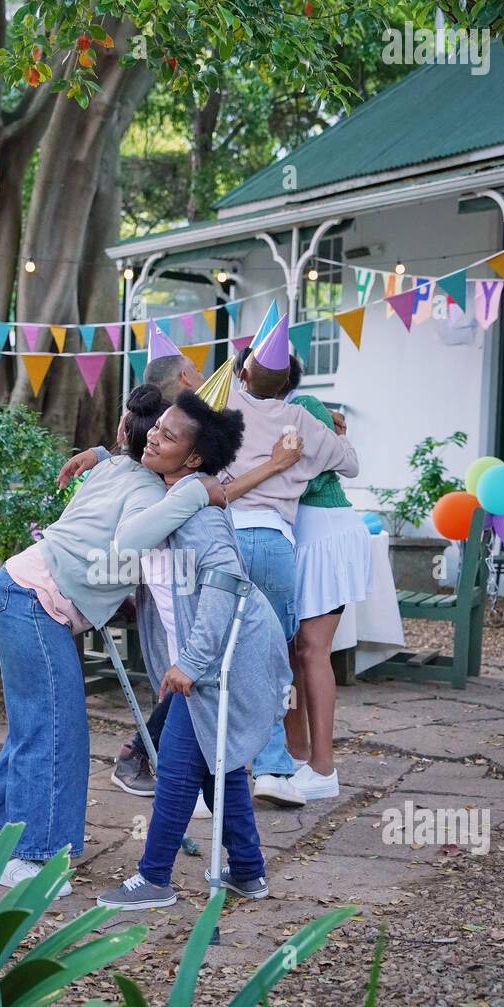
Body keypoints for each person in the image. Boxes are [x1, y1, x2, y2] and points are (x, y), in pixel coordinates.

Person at [0, 382, 225, 895]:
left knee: (41, 723)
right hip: (33, 599)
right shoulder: (146, 489)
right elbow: (132, 537)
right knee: (55, 730)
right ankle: (34, 861)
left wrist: (98, 451)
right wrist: (197, 491)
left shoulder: (116, 465)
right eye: (160, 432)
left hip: (19, 591)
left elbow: (116, 449)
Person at [95, 391, 291, 910]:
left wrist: (193, 664)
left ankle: (154, 878)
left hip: (227, 655)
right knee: (216, 769)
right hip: (204, 657)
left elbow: (223, 587)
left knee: (180, 770)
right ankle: (248, 872)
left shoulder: (201, 517)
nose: (154, 437)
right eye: (156, 427)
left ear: (195, 459)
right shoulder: (169, 500)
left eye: (168, 435)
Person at [219, 316, 361, 808]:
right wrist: (332, 433)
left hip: (228, 541)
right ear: (290, 384)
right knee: (277, 659)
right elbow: (350, 465)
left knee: (225, 655)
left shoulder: (226, 404)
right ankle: (279, 766)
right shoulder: (300, 419)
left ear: (240, 375)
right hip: (279, 544)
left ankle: (226, 766)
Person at [59, 346, 205, 799]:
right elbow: (144, 466)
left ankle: (178, 763)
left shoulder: (178, 428)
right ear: (182, 378)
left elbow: (138, 454)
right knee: (180, 667)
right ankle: (142, 756)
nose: (202, 375)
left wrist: (101, 454)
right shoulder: (166, 443)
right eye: (196, 370)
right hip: (164, 567)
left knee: (186, 665)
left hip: (172, 559)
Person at [284, 395, 373, 801]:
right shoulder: (265, 410)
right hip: (298, 537)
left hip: (323, 536)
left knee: (312, 650)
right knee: (290, 654)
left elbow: (337, 465)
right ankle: (297, 752)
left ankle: (323, 768)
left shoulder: (303, 406)